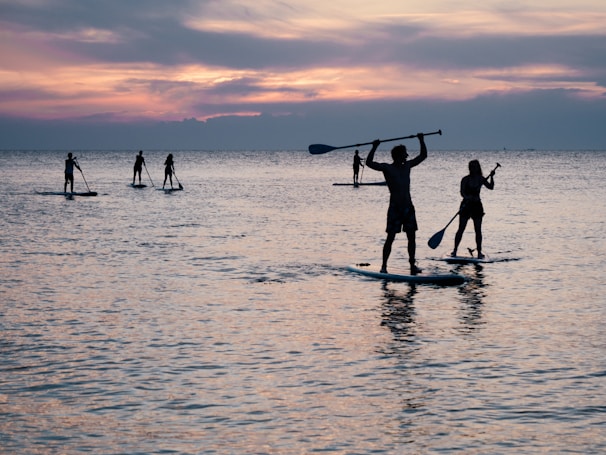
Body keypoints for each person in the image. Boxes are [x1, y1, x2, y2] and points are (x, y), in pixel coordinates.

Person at [366, 133, 427, 274]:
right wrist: (374, 147)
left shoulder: (408, 166)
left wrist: (421, 140)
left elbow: (423, 156)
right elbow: (369, 163)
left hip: (408, 207)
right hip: (395, 208)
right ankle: (384, 266)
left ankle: (412, 265)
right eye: (404, 154)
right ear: (398, 155)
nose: (406, 156)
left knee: (411, 237)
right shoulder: (388, 168)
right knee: (390, 237)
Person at [451, 160, 495, 259]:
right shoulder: (465, 179)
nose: (473, 168)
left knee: (478, 230)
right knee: (461, 228)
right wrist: (467, 197)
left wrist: (492, 176)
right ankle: (454, 250)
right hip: (466, 206)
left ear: (478, 168)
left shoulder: (481, 179)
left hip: (477, 206)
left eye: (475, 166)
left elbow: (491, 187)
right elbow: (462, 192)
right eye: (471, 166)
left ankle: (479, 252)